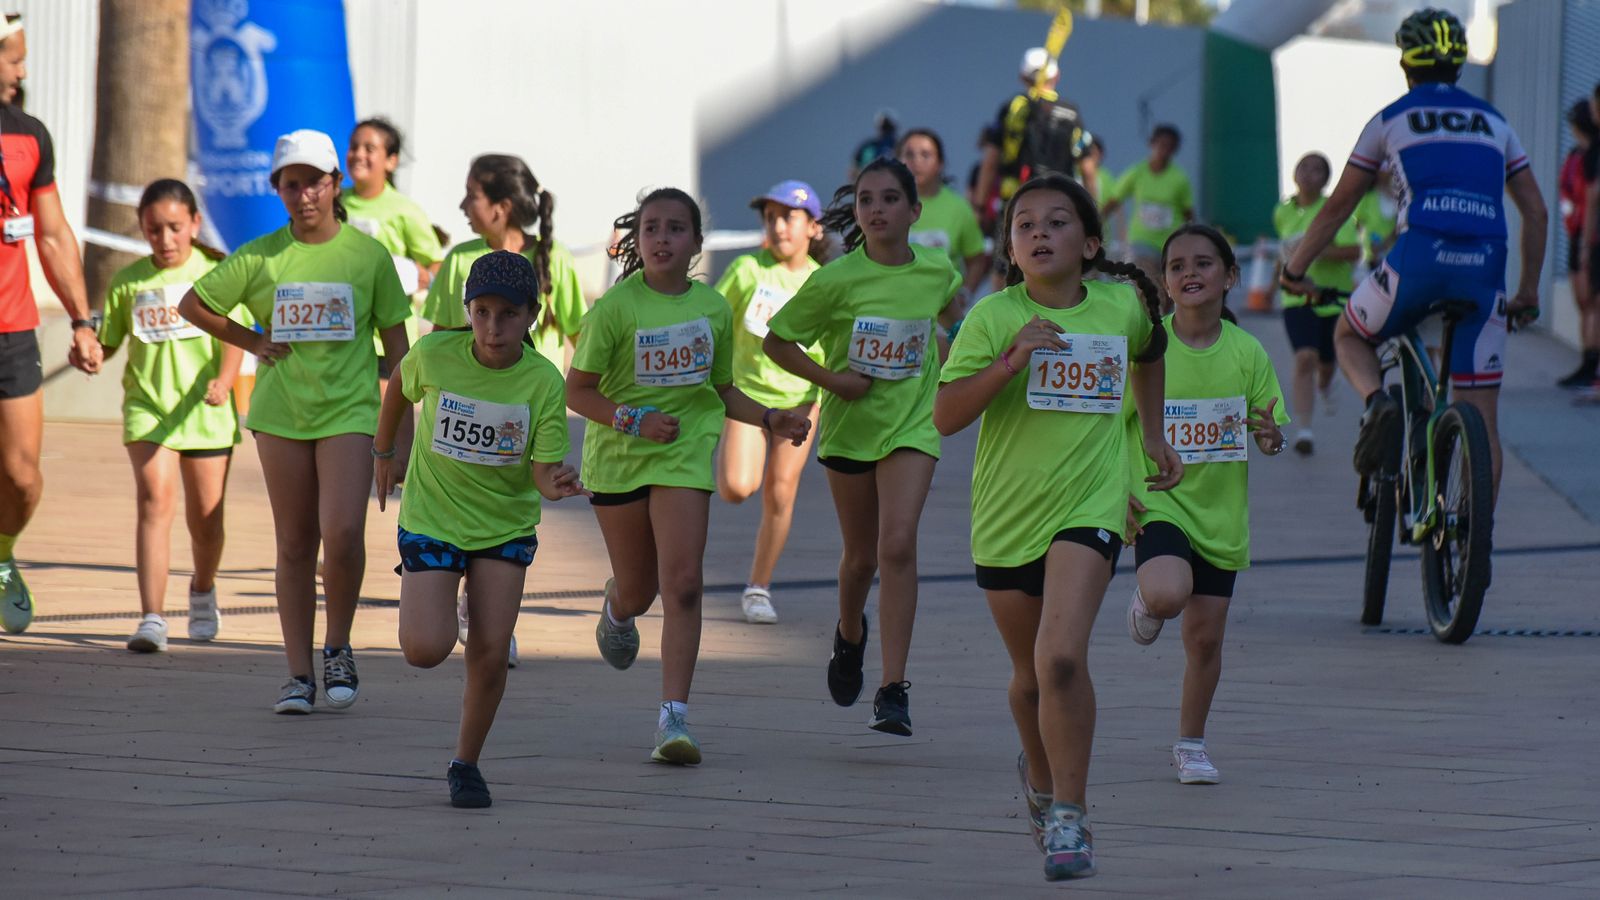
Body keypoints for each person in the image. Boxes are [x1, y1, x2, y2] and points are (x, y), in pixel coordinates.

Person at [932, 174, 1177, 880]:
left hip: (1090, 506)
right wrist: (1013, 360)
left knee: (1061, 657)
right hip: (1007, 515)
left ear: (1091, 243)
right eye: (1024, 224)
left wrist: (1153, 437)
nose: (1040, 233)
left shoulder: (1121, 306)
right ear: (1010, 247)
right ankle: (1039, 779)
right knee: (1029, 676)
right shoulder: (989, 318)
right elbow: (946, 418)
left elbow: (1151, 352)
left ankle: (1071, 813)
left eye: (1058, 222)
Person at [567, 188, 809, 765]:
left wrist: (772, 418)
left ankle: (673, 717)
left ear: (697, 243)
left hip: (682, 456)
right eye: (651, 228)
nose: (662, 239)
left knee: (683, 584)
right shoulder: (615, 308)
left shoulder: (712, 309)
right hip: (619, 459)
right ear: (637, 240)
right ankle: (618, 607)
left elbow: (721, 391)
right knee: (641, 587)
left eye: (676, 229)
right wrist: (634, 418)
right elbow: (578, 391)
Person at [178, 129, 412, 713]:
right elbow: (193, 304)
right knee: (294, 542)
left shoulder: (367, 256)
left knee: (342, 532)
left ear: (336, 185)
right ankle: (297, 674)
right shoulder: (260, 255)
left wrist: (399, 437)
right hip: (281, 415)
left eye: (314, 181)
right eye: (291, 183)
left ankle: (338, 646)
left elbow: (402, 352)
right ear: (276, 188)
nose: (304, 193)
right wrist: (252, 340)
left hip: (352, 413)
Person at [1281, 8, 1546, 502]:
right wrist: (1528, 291)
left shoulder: (1390, 119)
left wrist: (1294, 268)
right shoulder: (1495, 122)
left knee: (1348, 334)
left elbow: (1341, 205)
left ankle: (1377, 402)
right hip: (1486, 268)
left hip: (1419, 259)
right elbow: (1536, 211)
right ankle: (1474, 543)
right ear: (1461, 66)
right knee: (1483, 417)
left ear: (1406, 64)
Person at [374, 251, 585, 808]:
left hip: (503, 526)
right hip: (434, 517)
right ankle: (449, 605)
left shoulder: (542, 381)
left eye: (509, 314)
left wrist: (556, 483)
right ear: (467, 310)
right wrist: (384, 448)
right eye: (483, 312)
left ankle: (465, 763)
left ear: (532, 316)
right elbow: (397, 383)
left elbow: (541, 473)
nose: (494, 327)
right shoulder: (436, 355)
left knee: (490, 652)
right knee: (425, 649)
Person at [764, 158, 962, 738]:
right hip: (852, 428)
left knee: (897, 543)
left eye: (890, 199)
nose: (877, 210)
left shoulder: (936, 269)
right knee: (862, 557)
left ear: (914, 211)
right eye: (867, 200)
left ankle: (893, 687)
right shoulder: (834, 280)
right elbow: (778, 342)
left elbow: (953, 317)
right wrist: (834, 383)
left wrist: (954, 349)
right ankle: (849, 633)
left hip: (913, 426)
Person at [1125, 224, 1288, 787]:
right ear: (1164, 283)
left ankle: (1190, 744)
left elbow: (1271, 434)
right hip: (1158, 502)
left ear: (1230, 277)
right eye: (1176, 266)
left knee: (1206, 639)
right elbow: (1115, 426)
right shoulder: (1149, 347)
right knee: (1170, 593)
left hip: (1222, 516)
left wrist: (1271, 438)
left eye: (1203, 264)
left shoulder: (1247, 352)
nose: (1189, 274)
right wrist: (1120, 492)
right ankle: (1149, 600)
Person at [79, 180, 245, 652]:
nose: (166, 239)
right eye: (154, 230)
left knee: (207, 520)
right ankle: (151, 617)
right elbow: (108, 342)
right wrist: (91, 350)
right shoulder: (128, 281)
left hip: (205, 412)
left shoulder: (216, 271)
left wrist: (226, 380)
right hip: (148, 410)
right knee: (155, 500)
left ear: (194, 223)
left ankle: (202, 588)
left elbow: (236, 334)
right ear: (142, 230)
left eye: (175, 227)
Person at [0, 13, 98, 633]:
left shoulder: (29, 135)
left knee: (22, 478)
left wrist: (83, 320)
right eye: (13, 57)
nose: (23, 70)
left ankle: (2, 553)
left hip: (13, 332)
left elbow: (56, 234)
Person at [714, 181, 826, 625]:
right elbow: (714, 318)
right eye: (770, 217)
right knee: (738, 487)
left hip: (801, 398)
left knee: (782, 490)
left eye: (789, 217)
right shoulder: (746, 269)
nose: (778, 226)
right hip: (748, 395)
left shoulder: (822, 280)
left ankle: (758, 587)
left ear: (813, 227)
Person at [973, 46, 1100, 278]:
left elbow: (990, 161)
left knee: (1005, 267)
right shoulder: (1071, 112)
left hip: (1016, 201)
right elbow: (1088, 168)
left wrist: (980, 207)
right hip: (1061, 202)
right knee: (1059, 266)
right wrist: (1093, 209)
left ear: (1022, 77)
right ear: (1056, 76)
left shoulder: (1012, 108)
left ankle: (1002, 315)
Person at [1272, 152, 1362, 455]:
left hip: (1332, 299)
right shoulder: (1282, 212)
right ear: (1294, 174)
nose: (1309, 174)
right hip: (1296, 297)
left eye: (1317, 169)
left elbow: (1353, 252)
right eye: (1303, 167)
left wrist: (1314, 249)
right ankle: (1304, 430)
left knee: (1325, 363)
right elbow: (1282, 252)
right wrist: (1280, 279)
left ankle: (1325, 383)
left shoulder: (1335, 211)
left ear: (1326, 179)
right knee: (1304, 358)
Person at [1101, 124, 1194, 300]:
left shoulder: (1179, 179)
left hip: (1168, 244)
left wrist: (1192, 239)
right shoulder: (1137, 172)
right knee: (1144, 285)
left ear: (1175, 149)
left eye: (1169, 146)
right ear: (1152, 144)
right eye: (1160, 144)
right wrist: (1093, 221)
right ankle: (1145, 321)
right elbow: (1114, 200)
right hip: (1141, 242)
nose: (1164, 150)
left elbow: (1188, 213)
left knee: (1165, 292)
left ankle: (1161, 322)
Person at [900, 128, 988, 298]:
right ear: (898, 160)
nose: (916, 162)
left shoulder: (958, 208)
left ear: (940, 163)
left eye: (925, 155)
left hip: (941, 313)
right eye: (909, 155)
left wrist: (964, 295)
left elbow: (977, 260)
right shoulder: (887, 205)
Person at [1558, 98, 1598, 388]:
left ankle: (1590, 365)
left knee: (1592, 303)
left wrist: (1586, 239)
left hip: (1588, 236)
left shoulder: (1592, 156)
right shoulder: (1577, 155)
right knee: (1583, 302)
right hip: (1576, 235)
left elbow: (1592, 197)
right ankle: (1587, 361)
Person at [849, 108, 898, 182]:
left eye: (887, 127)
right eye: (884, 127)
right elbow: (853, 171)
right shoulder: (867, 147)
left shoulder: (900, 146)